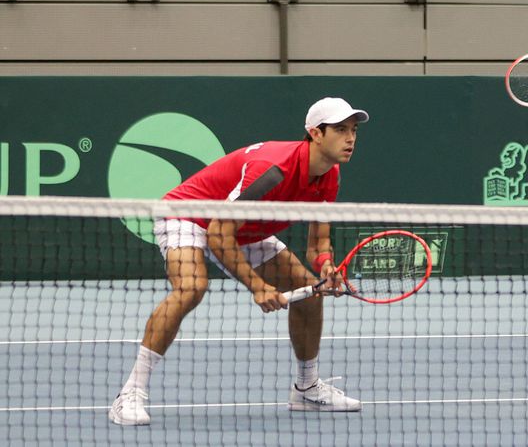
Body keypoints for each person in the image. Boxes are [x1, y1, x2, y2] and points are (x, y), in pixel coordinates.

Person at [108, 97, 368, 426]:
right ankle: (129, 394)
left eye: (354, 130)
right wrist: (258, 287)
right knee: (191, 288)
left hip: (244, 231)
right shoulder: (273, 170)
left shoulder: (330, 176)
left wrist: (328, 266)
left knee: (309, 292)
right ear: (316, 133)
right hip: (189, 216)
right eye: (341, 130)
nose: (350, 138)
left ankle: (307, 388)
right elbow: (218, 233)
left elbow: (318, 244)